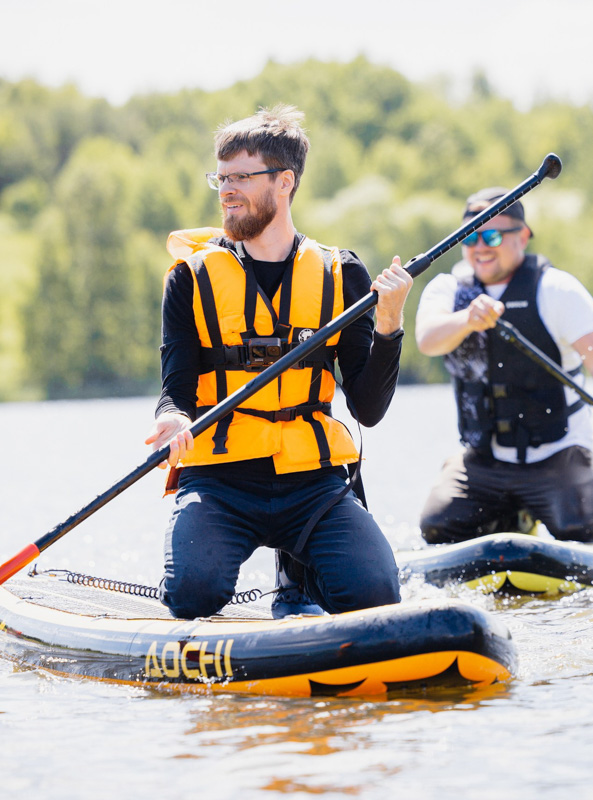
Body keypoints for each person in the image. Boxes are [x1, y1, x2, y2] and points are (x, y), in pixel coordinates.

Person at [145, 105, 413, 619]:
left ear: (284, 182)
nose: (226, 191)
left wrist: (389, 323)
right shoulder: (189, 278)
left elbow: (368, 408)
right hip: (220, 479)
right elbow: (175, 387)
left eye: (241, 178)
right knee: (194, 594)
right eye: (221, 178)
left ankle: (298, 571)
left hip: (313, 481)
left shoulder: (342, 274)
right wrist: (173, 417)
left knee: (377, 594)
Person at [414, 187, 593, 545]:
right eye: (469, 237)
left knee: (579, 529)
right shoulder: (448, 289)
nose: (480, 247)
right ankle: (508, 514)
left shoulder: (556, 288)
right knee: (437, 526)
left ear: (522, 236)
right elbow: (427, 340)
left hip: (557, 451)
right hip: (485, 457)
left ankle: (558, 507)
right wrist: (467, 320)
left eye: (492, 236)